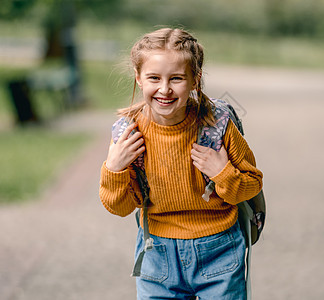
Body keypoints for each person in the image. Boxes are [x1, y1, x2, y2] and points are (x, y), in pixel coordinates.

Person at [99, 27, 263, 300]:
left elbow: (251, 186)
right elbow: (119, 207)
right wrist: (114, 169)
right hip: (157, 253)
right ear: (139, 79)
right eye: (154, 78)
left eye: (176, 78)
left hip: (219, 250)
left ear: (195, 80)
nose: (165, 89)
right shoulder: (129, 134)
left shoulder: (217, 127)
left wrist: (223, 173)